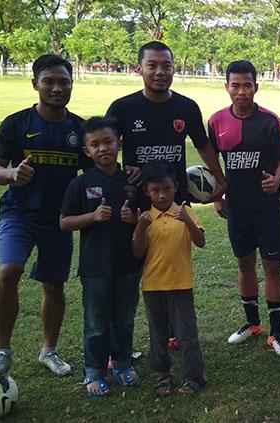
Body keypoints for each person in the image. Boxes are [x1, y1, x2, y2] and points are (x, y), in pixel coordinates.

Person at [107, 40, 226, 349]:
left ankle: (172, 334)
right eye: (152, 66)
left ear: (174, 69)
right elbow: (103, 148)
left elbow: (203, 145)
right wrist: (123, 174)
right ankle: (120, 344)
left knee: (172, 267)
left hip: (175, 204)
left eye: (166, 66)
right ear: (139, 69)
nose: (160, 72)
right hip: (136, 204)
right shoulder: (122, 108)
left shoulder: (186, 107)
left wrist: (220, 184)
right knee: (131, 272)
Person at [0, 54, 88, 378]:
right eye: (49, 81)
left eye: (64, 82)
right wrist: (12, 173)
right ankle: (2, 351)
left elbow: (96, 172)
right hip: (19, 213)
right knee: (9, 270)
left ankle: (49, 350)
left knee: (54, 285)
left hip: (58, 220)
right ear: (35, 85)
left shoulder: (80, 129)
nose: (57, 88)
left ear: (72, 85)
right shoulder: (16, 123)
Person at [208, 61, 280, 357]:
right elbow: (213, 160)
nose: (241, 91)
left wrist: (276, 180)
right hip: (237, 210)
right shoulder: (217, 121)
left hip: (267, 209)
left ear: (256, 87)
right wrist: (217, 193)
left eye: (247, 85)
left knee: (272, 267)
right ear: (227, 87)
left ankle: (277, 332)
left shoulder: (270, 121)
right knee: (244, 264)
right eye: (235, 85)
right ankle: (252, 324)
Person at [59, 117, 141, 397]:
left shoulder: (130, 181)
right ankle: (94, 372)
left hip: (128, 264)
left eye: (108, 142)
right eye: (95, 145)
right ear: (86, 151)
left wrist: (135, 218)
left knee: (124, 318)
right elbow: (65, 222)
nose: (103, 148)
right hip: (95, 267)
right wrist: (92, 217)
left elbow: (145, 218)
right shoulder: (80, 185)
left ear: (119, 143)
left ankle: (123, 364)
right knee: (95, 322)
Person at [132, 160, 207, 396]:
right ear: (147, 192)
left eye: (166, 189)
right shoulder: (145, 218)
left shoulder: (185, 212)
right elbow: (137, 252)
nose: (161, 195)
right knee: (158, 333)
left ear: (175, 187)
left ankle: (195, 376)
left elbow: (201, 241)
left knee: (186, 334)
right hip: (153, 286)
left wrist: (186, 220)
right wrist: (141, 227)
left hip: (181, 284)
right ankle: (162, 374)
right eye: (155, 191)